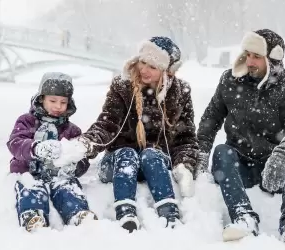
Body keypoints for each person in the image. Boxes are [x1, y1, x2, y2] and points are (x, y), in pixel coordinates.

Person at [196, 29, 285, 246]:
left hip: (276, 170)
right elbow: (210, 120)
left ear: (272, 60)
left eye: (256, 56)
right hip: (240, 166)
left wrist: (283, 153)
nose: (250, 61)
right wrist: (200, 155)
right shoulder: (229, 80)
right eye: (247, 54)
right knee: (221, 152)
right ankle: (244, 218)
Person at [59, 36, 199, 233]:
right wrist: (87, 143)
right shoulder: (122, 86)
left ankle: (169, 212)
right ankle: (125, 212)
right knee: (127, 153)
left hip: (155, 164)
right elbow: (107, 124)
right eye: (143, 62)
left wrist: (185, 164)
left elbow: (186, 137)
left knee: (152, 154)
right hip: (117, 163)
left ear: (167, 72)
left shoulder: (180, 92)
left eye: (152, 66)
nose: (144, 69)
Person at [7, 72, 97, 232]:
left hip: (58, 175)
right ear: (41, 98)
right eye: (53, 101)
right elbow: (15, 143)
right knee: (31, 188)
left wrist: (74, 166)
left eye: (63, 102)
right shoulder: (26, 121)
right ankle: (32, 215)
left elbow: (82, 157)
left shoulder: (72, 130)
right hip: (29, 171)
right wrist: (35, 148)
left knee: (68, 187)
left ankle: (78, 213)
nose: (58, 106)